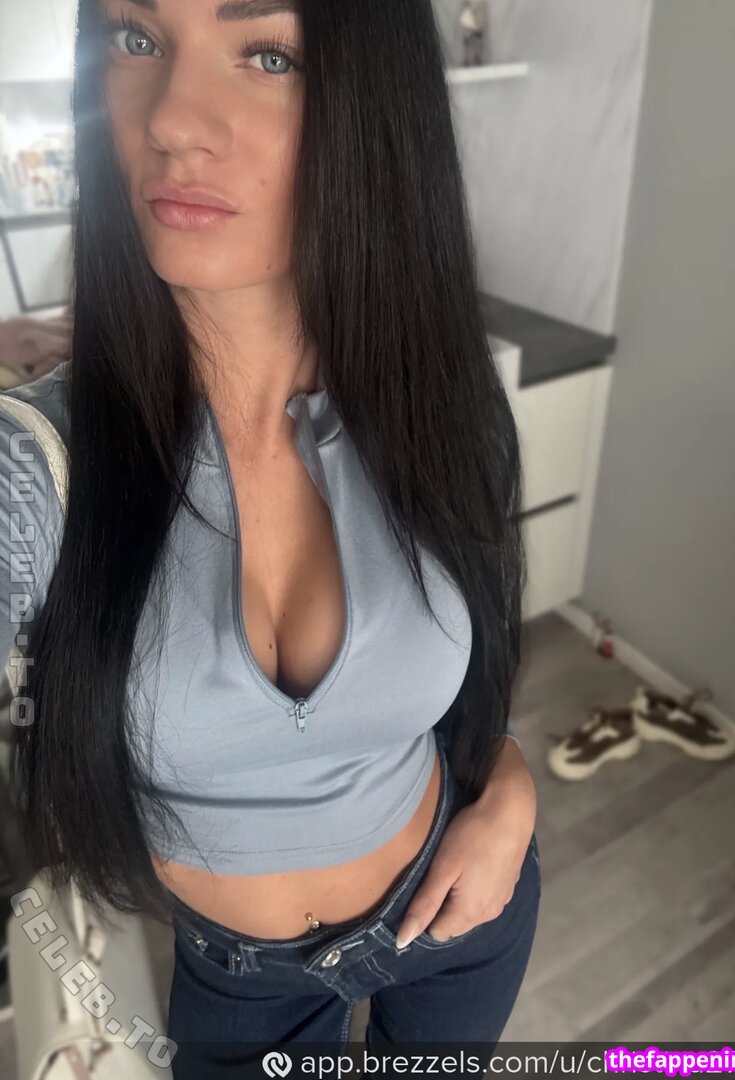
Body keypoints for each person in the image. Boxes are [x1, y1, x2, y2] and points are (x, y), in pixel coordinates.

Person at [0, 0, 540, 1069]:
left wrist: (510, 789)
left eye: (266, 53)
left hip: (461, 913)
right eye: (136, 39)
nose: (170, 120)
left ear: (374, 109)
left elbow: (473, 675)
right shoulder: (40, 463)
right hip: (239, 979)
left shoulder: (445, 406)